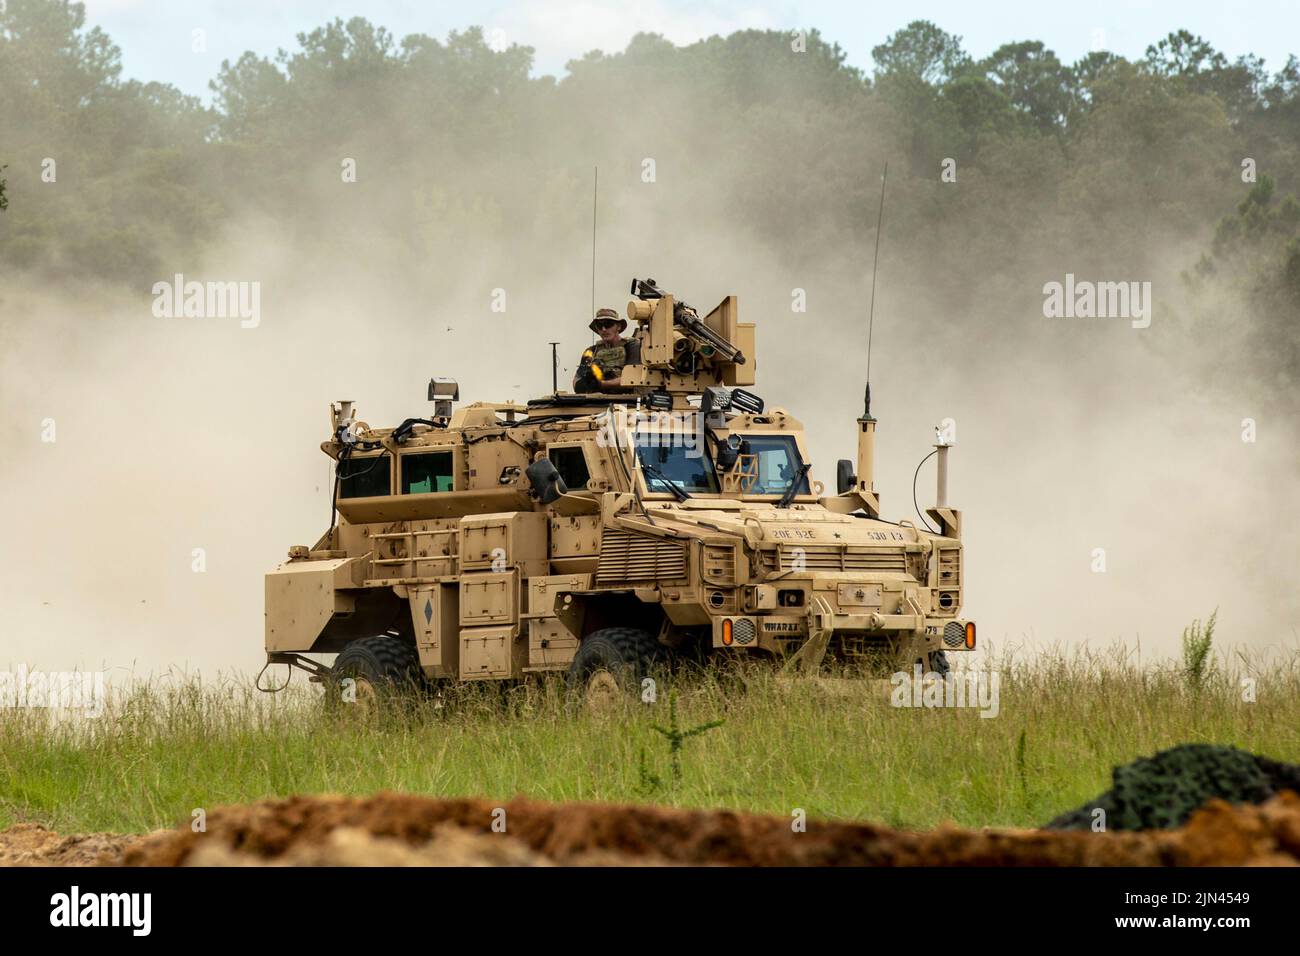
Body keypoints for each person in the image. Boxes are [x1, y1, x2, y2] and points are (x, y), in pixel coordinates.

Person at [573, 308, 631, 392]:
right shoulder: (591, 351)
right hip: (597, 401)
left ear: (618, 326)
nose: (604, 329)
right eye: (599, 325)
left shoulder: (630, 346)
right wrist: (584, 385)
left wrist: (601, 384)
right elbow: (577, 379)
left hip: (627, 401)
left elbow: (633, 379)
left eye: (608, 324)